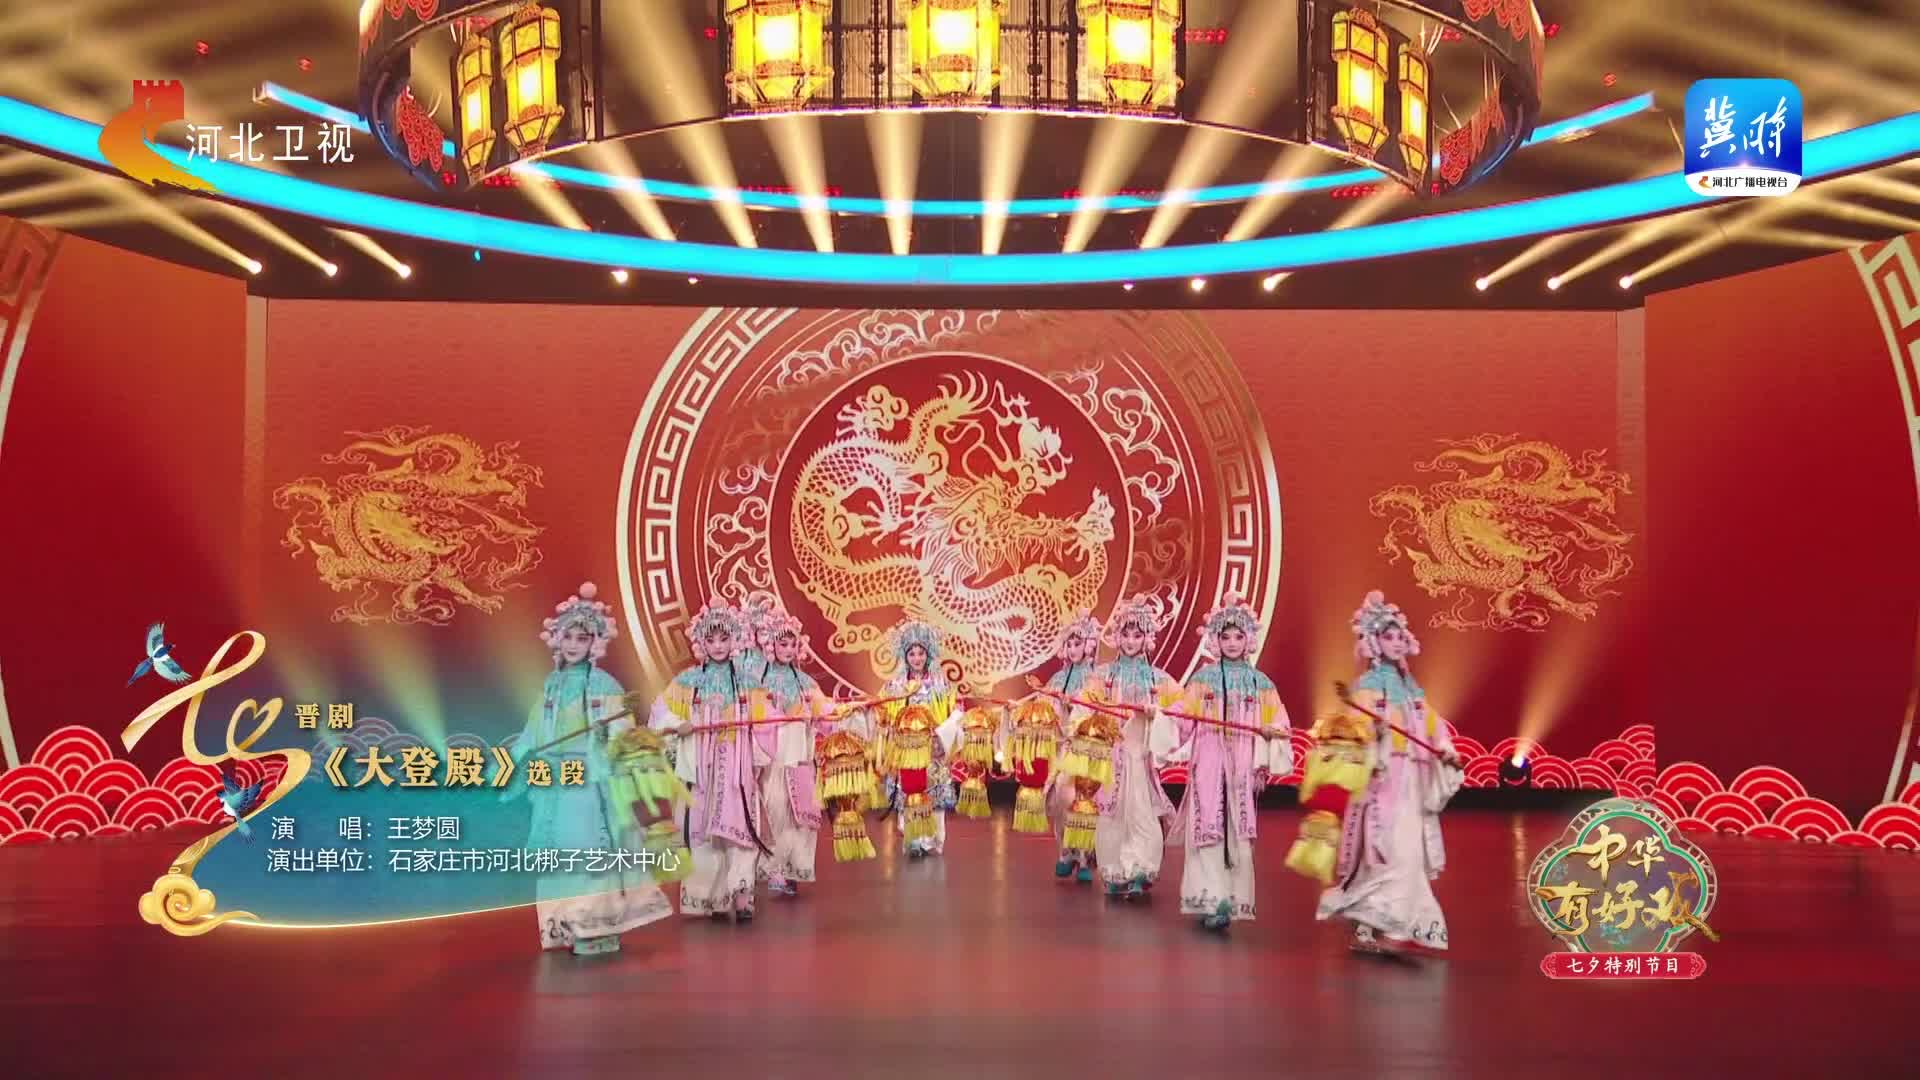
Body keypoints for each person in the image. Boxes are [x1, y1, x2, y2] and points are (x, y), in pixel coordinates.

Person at [509, 582, 672, 955]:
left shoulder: (605, 686)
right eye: (568, 636)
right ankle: (562, 925)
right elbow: (533, 732)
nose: (572, 645)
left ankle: (593, 928)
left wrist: (605, 738)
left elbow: (622, 735)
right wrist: (515, 758)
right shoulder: (551, 685)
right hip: (554, 781)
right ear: (557, 638)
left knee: (585, 849)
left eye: (581, 638)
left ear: (594, 643)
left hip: (587, 779)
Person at [1315, 591, 1465, 956]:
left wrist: (1446, 750)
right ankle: (1376, 925)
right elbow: (1354, 732)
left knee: (1408, 854)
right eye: (1388, 636)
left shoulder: (1413, 691)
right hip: (1383, 782)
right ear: (1374, 643)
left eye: (1400, 636)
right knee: (1384, 853)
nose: (1396, 642)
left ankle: (1391, 925)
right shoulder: (1367, 689)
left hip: (1413, 780)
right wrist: (1375, 733)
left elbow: (1434, 728)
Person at [1154, 593, 1291, 932]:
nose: (1232, 643)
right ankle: (1210, 898)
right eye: (1225, 636)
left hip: (1242, 765)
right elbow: (1183, 716)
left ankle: (1230, 897)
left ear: (1249, 640)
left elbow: (1279, 720)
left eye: (1238, 636)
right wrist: (1161, 716)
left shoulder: (1261, 683)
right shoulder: (1203, 680)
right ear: (1215, 640)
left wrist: (1271, 733)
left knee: (1236, 830)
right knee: (1208, 827)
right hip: (1209, 762)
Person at [648, 602, 775, 923]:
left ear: (735, 639)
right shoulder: (686, 682)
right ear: (701, 643)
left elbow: (767, 720)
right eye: (711, 640)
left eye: (724, 639)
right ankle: (709, 897)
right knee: (701, 834)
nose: (718, 646)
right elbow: (660, 712)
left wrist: (754, 731)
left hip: (736, 767)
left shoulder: (748, 682)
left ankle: (742, 895)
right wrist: (679, 724)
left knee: (740, 831)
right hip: (700, 768)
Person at [1078, 595, 1183, 899]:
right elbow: (1084, 707)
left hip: (1141, 757)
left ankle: (1141, 869)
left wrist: (1157, 715)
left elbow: (1180, 710)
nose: (1131, 641)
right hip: (1112, 756)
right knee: (1111, 816)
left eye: (1138, 635)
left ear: (1147, 638)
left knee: (1142, 814)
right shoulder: (1102, 676)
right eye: (1126, 634)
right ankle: (1114, 871)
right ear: (1117, 636)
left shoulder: (1159, 679)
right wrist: (1092, 723)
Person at [855, 620, 960, 857]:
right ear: (905, 656)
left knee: (933, 796)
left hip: (932, 747)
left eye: (921, 653)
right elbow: (883, 712)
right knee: (909, 792)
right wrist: (872, 711)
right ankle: (913, 839)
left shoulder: (941, 684)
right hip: (906, 750)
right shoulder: (895, 686)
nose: (917, 658)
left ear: (928, 654)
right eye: (912, 654)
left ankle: (932, 840)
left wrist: (942, 732)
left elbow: (955, 711)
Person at [756, 612, 837, 897]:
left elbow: (824, 711)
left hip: (800, 754)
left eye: (793, 644)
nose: (789, 650)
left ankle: (794, 869)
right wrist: (781, 716)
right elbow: (755, 715)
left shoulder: (805, 682)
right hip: (774, 756)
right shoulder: (759, 682)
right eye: (783, 644)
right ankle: (774, 869)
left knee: (800, 815)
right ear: (770, 645)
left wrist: (838, 713)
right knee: (775, 810)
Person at [1041, 610, 1101, 882]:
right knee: (1060, 801)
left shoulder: (1096, 678)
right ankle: (1066, 853)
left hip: (1087, 749)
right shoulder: (1058, 679)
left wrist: (1075, 710)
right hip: (1063, 748)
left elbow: (1099, 714)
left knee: (1084, 802)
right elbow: (1048, 711)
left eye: (1079, 643)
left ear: (1089, 645)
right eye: (1070, 644)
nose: (1074, 649)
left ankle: (1085, 857)